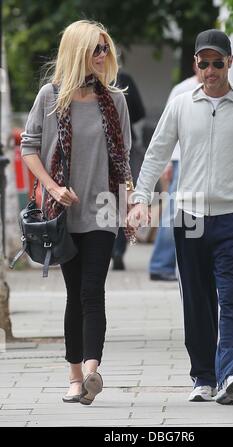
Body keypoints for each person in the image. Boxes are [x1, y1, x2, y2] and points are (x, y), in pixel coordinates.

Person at [128, 29, 233, 405]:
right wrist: (140, 199)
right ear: (196, 64)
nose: (210, 70)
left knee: (231, 299)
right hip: (189, 219)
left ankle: (230, 375)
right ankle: (203, 377)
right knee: (196, 300)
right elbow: (156, 154)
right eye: (203, 63)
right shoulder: (181, 104)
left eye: (217, 62)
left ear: (230, 62)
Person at [20, 20, 134, 405]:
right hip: (62, 216)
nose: (103, 56)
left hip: (102, 211)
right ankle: (73, 376)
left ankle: (90, 372)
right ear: (77, 52)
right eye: (96, 49)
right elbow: (29, 149)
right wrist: (52, 187)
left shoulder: (114, 100)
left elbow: (124, 159)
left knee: (92, 291)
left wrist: (131, 202)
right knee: (74, 295)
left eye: (106, 49)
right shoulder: (50, 98)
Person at [149, 65, 201, 281]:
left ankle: (177, 265)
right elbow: (167, 129)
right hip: (182, 159)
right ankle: (161, 264)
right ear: (195, 63)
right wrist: (168, 162)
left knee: (194, 215)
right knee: (174, 213)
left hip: (202, 162)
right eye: (203, 62)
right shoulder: (183, 89)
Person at [112, 71, 146, 270]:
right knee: (123, 199)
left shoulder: (89, 78)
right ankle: (118, 249)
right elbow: (140, 112)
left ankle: (108, 248)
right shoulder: (125, 79)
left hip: (101, 147)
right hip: (126, 144)